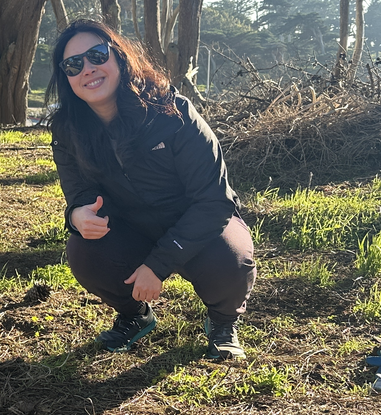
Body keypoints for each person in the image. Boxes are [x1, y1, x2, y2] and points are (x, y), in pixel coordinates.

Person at [48, 19, 256, 360]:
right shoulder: (68, 129)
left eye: (97, 56)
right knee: (83, 250)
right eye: (74, 65)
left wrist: (158, 265)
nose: (88, 69)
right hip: (131, 227)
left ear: (119, 57)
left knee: (231, 258)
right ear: (66, 79)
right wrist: (77, 215)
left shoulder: (171, 112)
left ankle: (222, 323)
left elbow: (214, 202)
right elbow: (78, 192)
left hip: (198, 225)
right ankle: (134, 316)